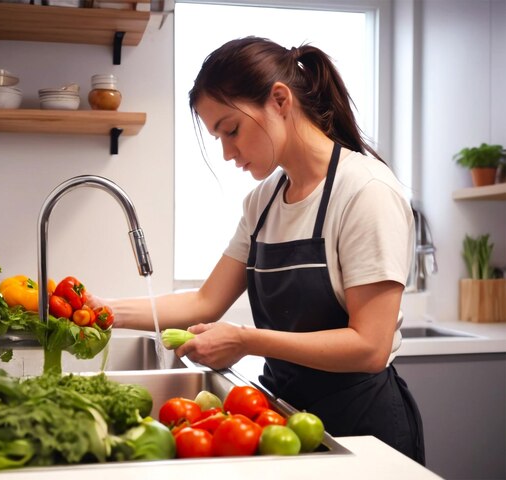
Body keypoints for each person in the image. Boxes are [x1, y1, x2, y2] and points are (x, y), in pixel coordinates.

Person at [87, 36, 425, 464]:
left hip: (362, 430)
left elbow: (369, 346)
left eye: (231, 130)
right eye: (218, 138)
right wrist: (100, 311)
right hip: (283, 418)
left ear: (280, 100)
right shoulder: (263, 201)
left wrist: (246, 340)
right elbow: (204, 301)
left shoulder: (365, 192)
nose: (228, 153)